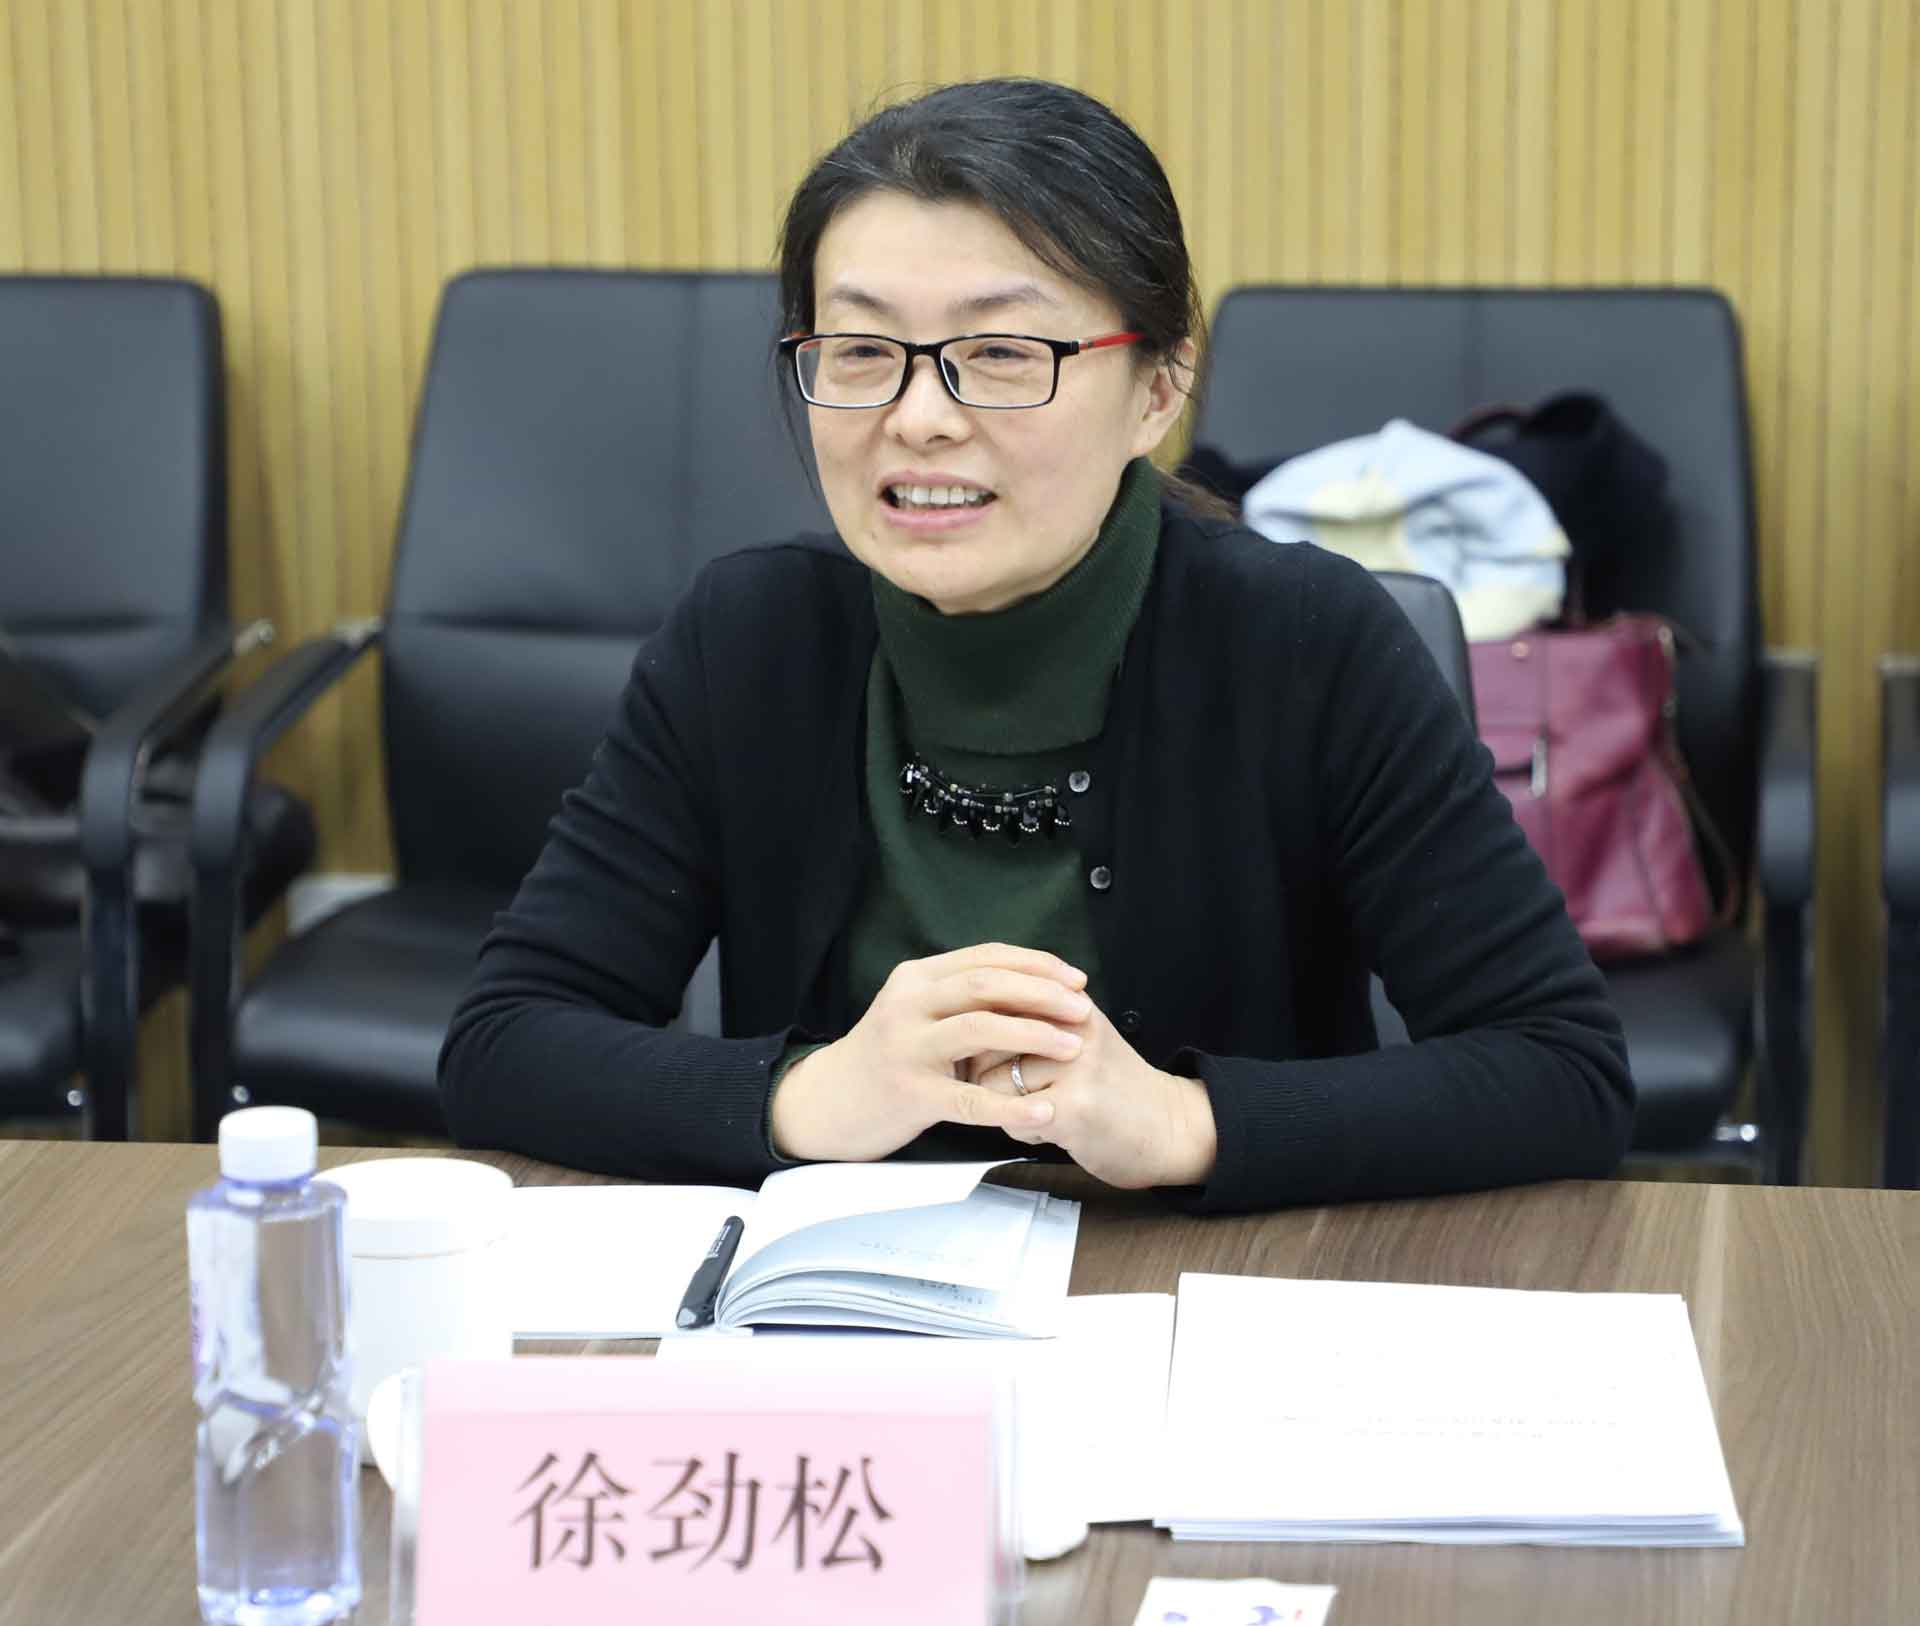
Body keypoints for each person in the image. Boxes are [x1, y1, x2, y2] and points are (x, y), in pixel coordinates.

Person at [439, 78, 1632, 1212]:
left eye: (1003, 354)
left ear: (1158, 389)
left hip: (1202, 1301)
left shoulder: (1310, 644)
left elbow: (1560, 1072)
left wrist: (1183, 1124)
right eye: (861, 351)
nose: (918, 417)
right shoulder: (748, 641)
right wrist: (810, 1096)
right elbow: (507, 1040)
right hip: (832, 1311)